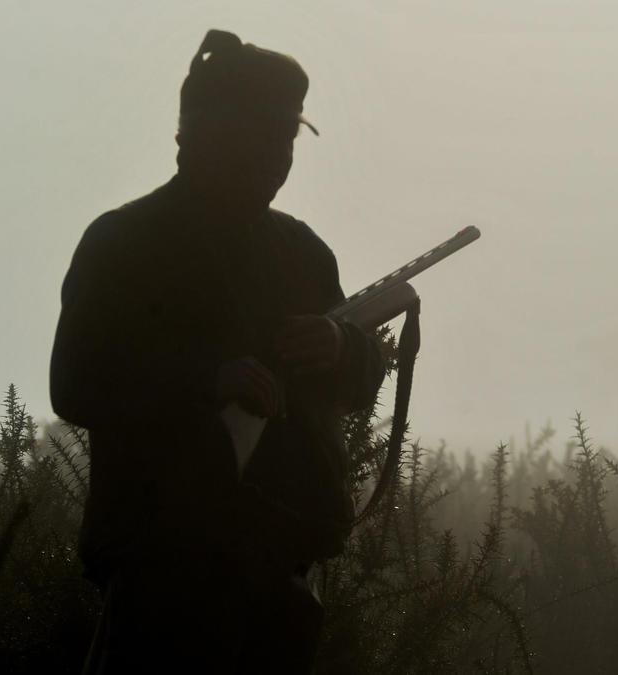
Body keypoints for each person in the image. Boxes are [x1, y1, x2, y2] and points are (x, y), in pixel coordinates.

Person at [49, 28, 386, 674]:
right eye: (263, 134)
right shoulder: (123, 244)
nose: (278, 155)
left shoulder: (304, 254)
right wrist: (207, 381)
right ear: (200, 132)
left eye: (287, 137)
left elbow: (352, 386)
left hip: (283, 585)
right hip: (161, 585)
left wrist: (344, 348)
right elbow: (76, 382)